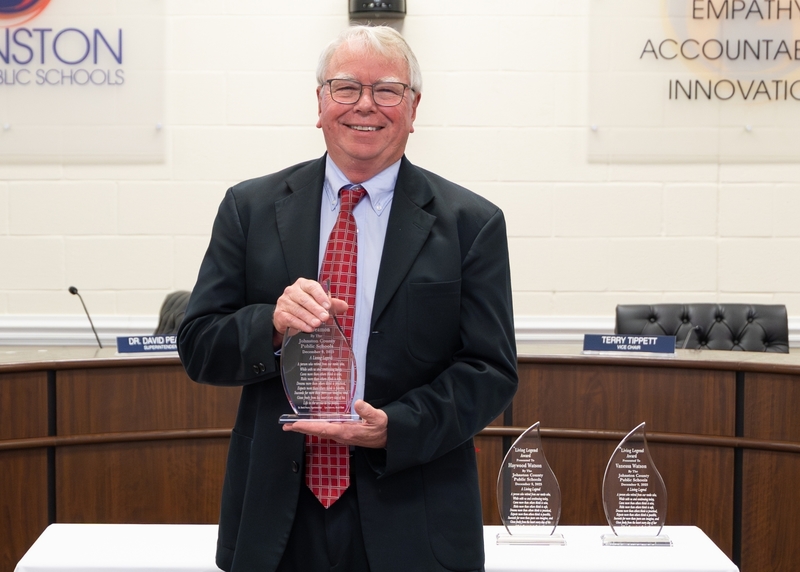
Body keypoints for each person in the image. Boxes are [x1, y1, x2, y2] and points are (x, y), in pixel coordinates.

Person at [178, 24, 518, 572]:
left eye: (387, 90)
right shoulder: (250, 208)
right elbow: (197, 346)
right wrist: (271, 323)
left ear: (413, 108)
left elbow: (490, 370)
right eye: (345, 88)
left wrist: (396, 427)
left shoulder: (471, 225)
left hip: (414, 512)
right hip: (276, 521)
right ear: (319, 103)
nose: (366, 105)